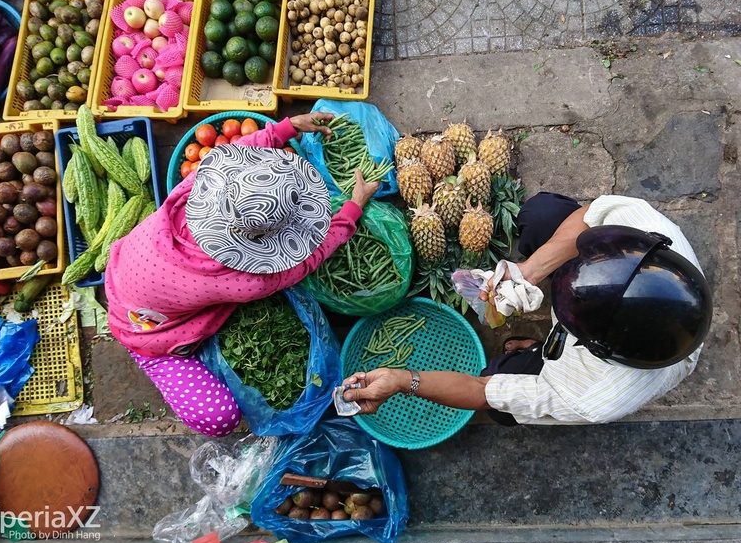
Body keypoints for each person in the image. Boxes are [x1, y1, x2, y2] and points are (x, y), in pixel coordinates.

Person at [104, 113, 380, 437]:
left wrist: (285, 128)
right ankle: (168, 357)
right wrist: (352, 210)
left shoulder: (192, 190)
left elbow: (242, 150)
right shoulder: (248, 281)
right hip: (149, 334)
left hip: (122, 273)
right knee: (220, 419)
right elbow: (308, 262)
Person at [342, 193, 713, 425]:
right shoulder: (654, 234)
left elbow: (481, 389)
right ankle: (541, 342)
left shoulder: (586, 396)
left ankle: (538, 352)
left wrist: (403, 380)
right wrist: (526, 273)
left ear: (590, 343)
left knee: (500, 388)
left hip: (587, 373)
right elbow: (588, 216)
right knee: (541, 213)